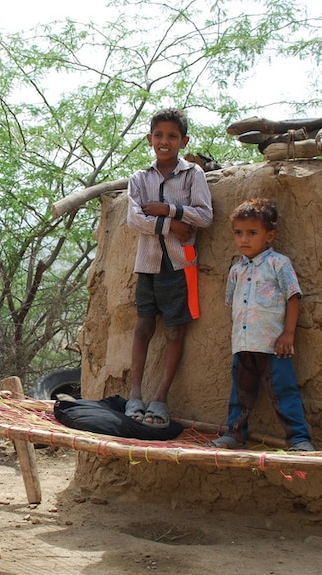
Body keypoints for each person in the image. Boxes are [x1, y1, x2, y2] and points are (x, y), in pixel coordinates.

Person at [125, 108, 213, 428]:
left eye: (172, 136)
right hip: (147, 265)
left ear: (184, 141)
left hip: (179, 266)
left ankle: (160, 398)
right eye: (159, 135)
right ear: (149, 139)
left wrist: (168, 209)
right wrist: (170, 224)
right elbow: (135, 219)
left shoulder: (193, 175)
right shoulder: (139, 179)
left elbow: (204, 216)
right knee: (144, 327)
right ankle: (135, 394)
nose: (165, 142)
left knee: (175, 330)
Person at [209, 198, 315, 451]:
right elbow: (231, 305)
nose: (244, 239)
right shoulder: (236, 270)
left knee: (283, 392)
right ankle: (234, 435)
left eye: (252, 233)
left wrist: (288, 334)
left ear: (270, 236)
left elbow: (293, 297)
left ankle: (299, 439)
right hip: (244, 344)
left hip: (274, 346)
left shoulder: (279, 264)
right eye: (238, 233)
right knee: (240, 395)